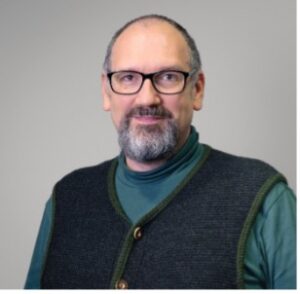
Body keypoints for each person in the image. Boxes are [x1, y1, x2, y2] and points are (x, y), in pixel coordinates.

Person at [25, 14, 296, 289]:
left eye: (168, 77)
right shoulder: (67, 198)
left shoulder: (265, 200)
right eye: (128, 77)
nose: (147, 98)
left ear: (197, 90)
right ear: (107, 92)